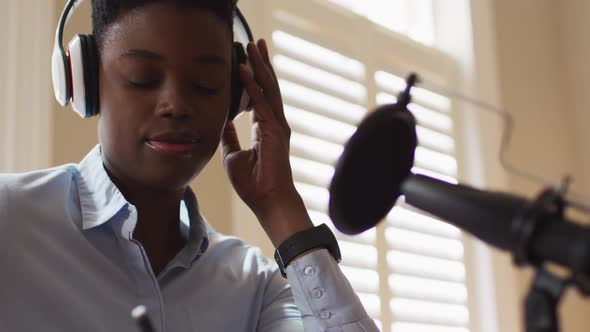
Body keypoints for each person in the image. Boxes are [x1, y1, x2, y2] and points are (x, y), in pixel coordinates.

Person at [0, 0, 379, 331]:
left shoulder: (255, 288)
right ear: (83, 82)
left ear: (237, 97)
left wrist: (279, 204)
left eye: (207, 83)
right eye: (143, 78)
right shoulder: (9, 220)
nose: (176, 104)